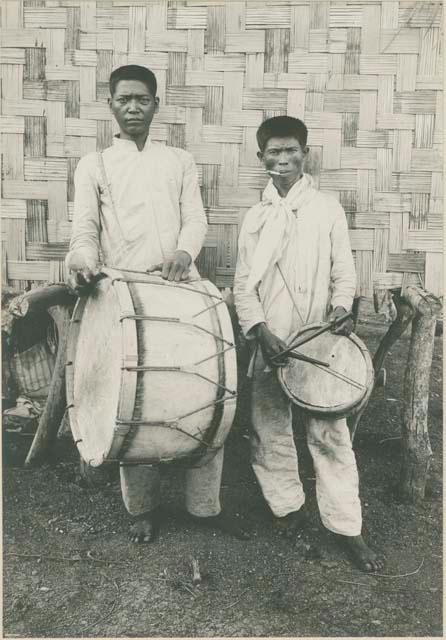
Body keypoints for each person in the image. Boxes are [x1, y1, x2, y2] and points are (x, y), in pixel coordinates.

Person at [66, 64, 247, 543]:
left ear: (155, 105)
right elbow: (84, 232)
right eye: (124, 99)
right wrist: (83, 261)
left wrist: (184, 252)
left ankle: (204, 508)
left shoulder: (179, 161)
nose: (133, 107)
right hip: (125, 295)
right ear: (111, 105)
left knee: (206, 390)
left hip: (183, 289)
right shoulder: (95, 165)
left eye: (142, 99)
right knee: (133, 399)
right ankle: (141, 508)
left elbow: (196, 218)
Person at [233, 115, 384, 571]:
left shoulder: (326, 209)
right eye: (273, 152)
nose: (283, 159)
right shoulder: (256, 218)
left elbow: (344, 272)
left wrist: (341, 307)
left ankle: (346, 527)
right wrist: (260, 330)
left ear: (305, 153)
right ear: (261, 159)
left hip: (319, 344)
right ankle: (288, 509)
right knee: (269, 428)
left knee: (331, 433)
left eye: (291, 150)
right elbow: (244, 285)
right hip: (271, 341)